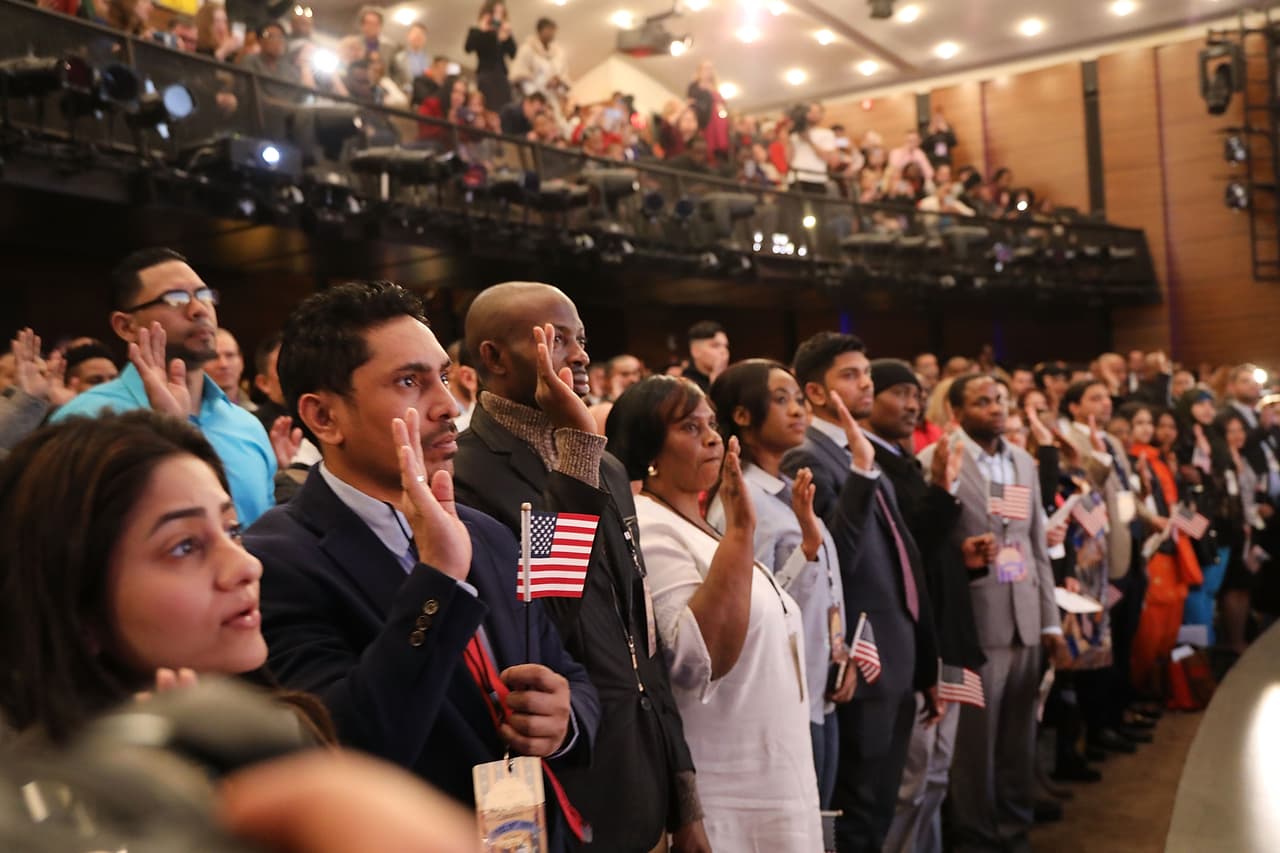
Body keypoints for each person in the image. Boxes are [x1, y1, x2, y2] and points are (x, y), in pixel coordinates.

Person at [241, 282, 599, 851]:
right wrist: (437, 581)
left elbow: (565, 660)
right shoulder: (275, 561)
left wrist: (565, 719)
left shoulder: (488, 531)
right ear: (324, 417)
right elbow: (345, 750)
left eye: (441, 376)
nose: (447, 406)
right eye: (409, 382)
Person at [453, 281, 709, 852]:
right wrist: (576, 450)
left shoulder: (607, 467)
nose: (582, 354)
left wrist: (684, 799)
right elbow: (553, 610)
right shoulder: (468, 473)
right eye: (557, 338)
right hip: (567, 780)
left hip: (643, 775)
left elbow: (639, 636)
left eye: (582, 339)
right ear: (493, 356)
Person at [0, 410, 325, 744]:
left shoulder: (271, 730)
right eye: (185, 547)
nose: (247, 567)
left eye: (233, 530)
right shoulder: (44, 787)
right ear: (79, 611)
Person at [607, 374, 824, 850]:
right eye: (688, 427)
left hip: (774, 778)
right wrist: (742, 531)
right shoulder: (650, 524)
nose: (711, 436)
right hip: (726, 795)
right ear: (649, 449)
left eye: (711, 423)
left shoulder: (698, 526)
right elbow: (696, 659)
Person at [780, 333, 938, 852]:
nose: (865, 382)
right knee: (856, 811)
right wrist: (863, 474)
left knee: (880, 807)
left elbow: (903, 563)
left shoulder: (857, 450)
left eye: (866, 373)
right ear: (816, 392)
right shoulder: (806, 458)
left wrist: (925, 661)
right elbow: (832, 565)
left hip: (896, 652)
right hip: (858, 663)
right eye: (850, 375)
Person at [918, 373, 1068, 853]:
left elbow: (1035, 546)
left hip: (1025, 611)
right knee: (973, 745)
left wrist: (1050, 621)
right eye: (983, 402)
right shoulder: (937, 458)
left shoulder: (1023, 460)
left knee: (1019, 735)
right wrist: (960, 549)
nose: (996, 408)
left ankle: (1015, 824)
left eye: (1000, 399)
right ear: (958, 413)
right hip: (975, 619)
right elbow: (927, 537)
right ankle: (978, 835)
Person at [51, 249, 288, 527]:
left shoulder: (246, 425)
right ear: (126, 326)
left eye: (203, 295)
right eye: (174, 299)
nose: (199, 309)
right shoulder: (85, 419)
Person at [705, 360, 851, 810]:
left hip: (819, 681)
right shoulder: (738, 499)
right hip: (780, 697)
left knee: (822, 819)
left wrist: (840, 652)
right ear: (744, 415)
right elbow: (750, 605)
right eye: (781, 399)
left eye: (800, 400)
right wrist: (805, 548)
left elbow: (822, 586)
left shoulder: (790, 488)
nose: (797, 410)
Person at [861, 360, 989, 853]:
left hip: (945, 634)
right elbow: (901, 549)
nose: (912, 404)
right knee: (910, 784)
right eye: (898, 393)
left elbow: (924, 552)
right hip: (911, 647)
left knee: (936, 774)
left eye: (917, 394)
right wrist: (941, 490)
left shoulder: (905, 459)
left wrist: (964, 558)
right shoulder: (872, 465)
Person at [1122, 403, 1201, 695]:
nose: (1147, 429)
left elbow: (1174, 505)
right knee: (1149, 628)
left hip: (1174, 545)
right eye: (1139, 422)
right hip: (1150, 549)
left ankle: (1156, 690)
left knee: (1168, 625)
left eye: (1148, 423)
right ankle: (1139, 691)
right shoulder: (1132, 461)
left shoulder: (1161, 461)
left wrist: (1199, 531)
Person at [465, 0, 516, 112]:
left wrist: (506, 37)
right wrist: (484, 30)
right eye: (495, 13)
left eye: (501, 13)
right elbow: (468, 48)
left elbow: (513, 53)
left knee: (505, 107)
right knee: (488, 106)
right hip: (486, 73)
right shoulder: (477, 31)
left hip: (501, 75)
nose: (498, 17)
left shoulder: (504, 32)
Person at [688, 60, 730, 164]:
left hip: (718, 121)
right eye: (705, 68)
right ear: (700, 71)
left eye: (710, 68)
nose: (708, 71)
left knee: (719, 148)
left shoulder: (715, 88)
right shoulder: (694, 86)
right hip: (703, 120)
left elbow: (722, 105)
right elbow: (691, 103)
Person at [207, 328, 255, 411]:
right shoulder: (187, 414)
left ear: (241, 362)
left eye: (230, 355)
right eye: (213, 357)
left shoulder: (256, 416)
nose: (223, 364)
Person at [683, 320, 729, 394]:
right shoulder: (685, 385)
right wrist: (716, 384)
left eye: (726, 346)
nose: (723, 351)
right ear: (695, 351)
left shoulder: (732, 379)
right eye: (715, 346)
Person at [391, 21, 429, 89]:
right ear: (408, 36)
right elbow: (393, 79)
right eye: (415, 33)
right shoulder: (398, 58)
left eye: (422, 34)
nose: (418, 36)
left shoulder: (430, 60)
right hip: (403, 95)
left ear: (425, 38)